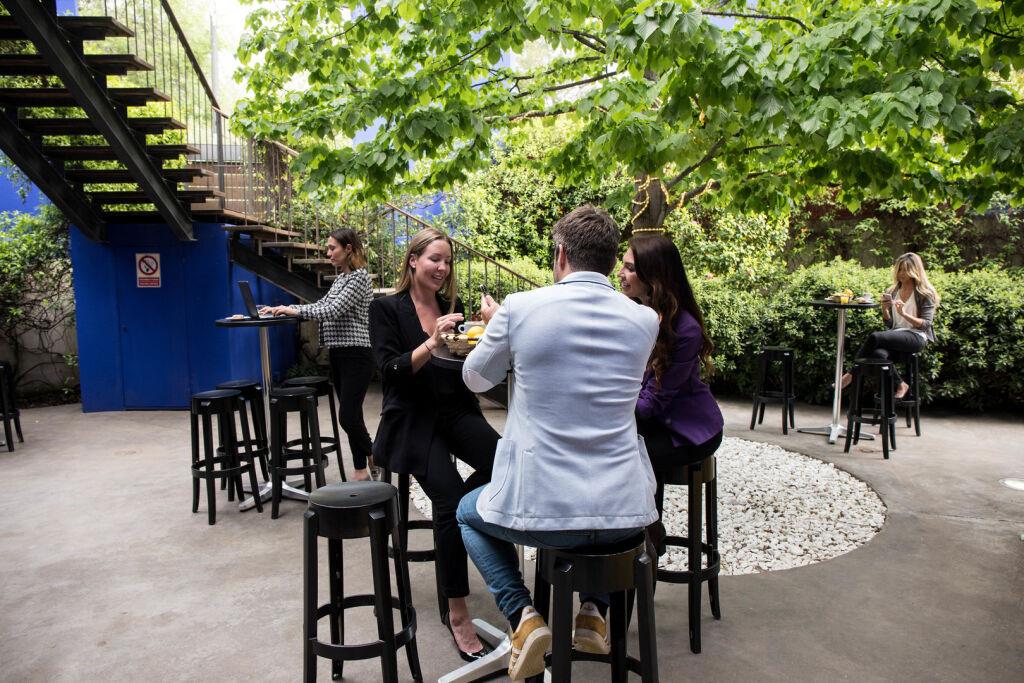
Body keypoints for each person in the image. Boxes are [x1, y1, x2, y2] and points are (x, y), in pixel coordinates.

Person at [457, 205, 660, 680]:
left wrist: (504, 336)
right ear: (611, 260)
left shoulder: (520, 308)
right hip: (625, 513)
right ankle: (592, 611)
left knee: (466, 512)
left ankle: (523, 618)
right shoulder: (645, 320)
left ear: (561, 254)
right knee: (600, 526)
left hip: (545, 512)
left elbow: (474, 377)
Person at [368, 227, 497, 662]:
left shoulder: (450, 310)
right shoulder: (386, 308)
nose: (442, 268)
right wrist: (433, 341)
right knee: (448, 501)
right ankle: (456, 611)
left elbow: (468, 369)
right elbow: (390, 371)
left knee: (508, 463)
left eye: (447, 261)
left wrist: (485, 336)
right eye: (434, 259)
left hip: (455, 411)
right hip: (413, 419)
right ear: (413, 260)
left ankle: (468, 518)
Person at [618, 235, 724, 553]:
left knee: (623, 456)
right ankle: (640, 537)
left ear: (654, 276)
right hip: (651, 420)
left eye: (630, 268)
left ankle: (644, 540)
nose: (621, 273)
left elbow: (652, 404)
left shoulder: (685, 329)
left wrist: (607, 396)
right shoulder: (632, 313)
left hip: (687, 430)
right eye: (622, 266)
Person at [260, 228, 375, 481]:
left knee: (348, 416)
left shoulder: (360, 278)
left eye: (333, 248)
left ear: (348, 249)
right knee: (353, 415)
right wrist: (286, 307)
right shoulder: (341, 279)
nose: (328, 253)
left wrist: (295, 312)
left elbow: (332, 310)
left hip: (357, 354)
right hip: (339, 353)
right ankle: (360, 470)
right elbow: (323, 304)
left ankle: (376, 454)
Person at [840, 252, 939, 399]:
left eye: (906, 270)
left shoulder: (924, 294)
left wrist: (904, 313)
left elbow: (925, 324)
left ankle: (850, 375)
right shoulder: (892, 291)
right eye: (899, 269)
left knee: (875, 337)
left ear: (915, 271)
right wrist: (885, 310)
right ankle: (901, 385)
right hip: (897, 334)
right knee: (878, 354)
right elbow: (890, 324)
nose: (901, 274)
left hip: (916, 336)